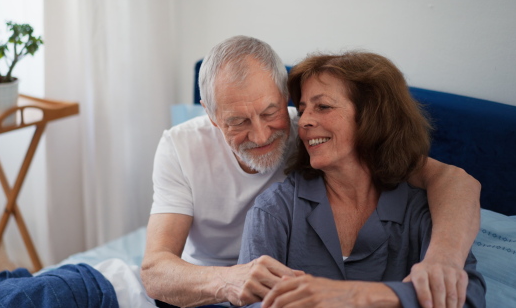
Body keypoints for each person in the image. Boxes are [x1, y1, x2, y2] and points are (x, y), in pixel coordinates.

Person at [141, 36, 482, 308]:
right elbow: (156, 271)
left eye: (271, 112)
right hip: (205, 287)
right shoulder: (187, 151)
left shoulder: (313, 135)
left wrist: (442, 263)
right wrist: (228, 280)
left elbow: (452, 181)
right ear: (212, 116)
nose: (261, 136)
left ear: (283, 97)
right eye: (237, 121)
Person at [237, 52, 486, 308]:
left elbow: (467, 297)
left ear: (372, 116)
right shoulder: (274, 209)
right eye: (302, 111)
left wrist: (364, 296)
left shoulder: (425, 211)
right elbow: (251, 302)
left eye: (323, 107)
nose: (305, 122)